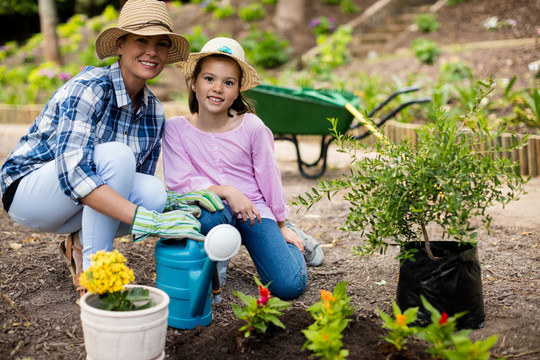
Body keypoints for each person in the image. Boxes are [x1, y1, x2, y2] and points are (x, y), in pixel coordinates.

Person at [0, 0, 223, 298]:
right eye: (141, 40)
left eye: (161, 44)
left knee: (154, 193)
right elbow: (73, 174)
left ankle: (78, 244)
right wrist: (151, 222)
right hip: (28, 192)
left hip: (73, 201)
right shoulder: (89, 88)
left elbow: (131, 188)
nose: (151, 52)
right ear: (120, 44)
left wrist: (174, 202)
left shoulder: (154, 111)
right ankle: (98, 276)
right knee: (117, 156)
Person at [162, 37, 324, 300]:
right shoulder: (176, 129)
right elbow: (181, 182)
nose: (217, 88)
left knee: (288, 286)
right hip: (214, 210)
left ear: (237, 91)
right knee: (210, 216)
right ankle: (214, 266)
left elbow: (270, 179)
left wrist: (281, 224)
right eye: (209, 79)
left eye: (228, 82)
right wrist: (227, 191)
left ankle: (295, 239)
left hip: (255, 210)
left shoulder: (252, 127)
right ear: (193, 82)